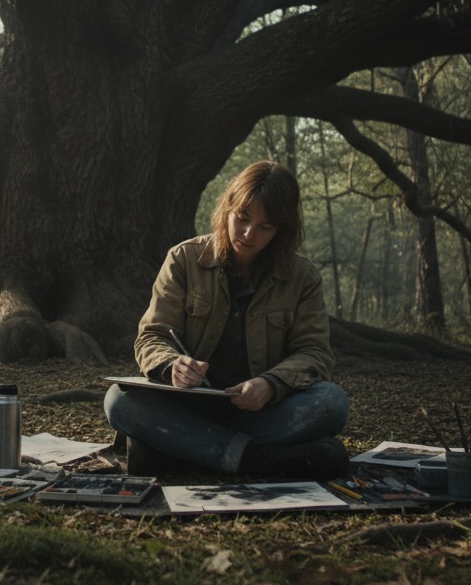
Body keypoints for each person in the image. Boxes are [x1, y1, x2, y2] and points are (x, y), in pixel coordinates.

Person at [103, 160, 350, 478]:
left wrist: (270, 384)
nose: (248, 234)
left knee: (332, 402)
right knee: (119, 400)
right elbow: (152, 336)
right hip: (187, 405)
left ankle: (183, 452)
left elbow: (314, 353)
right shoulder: (184, 260)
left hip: (262, 412)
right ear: (227, 209)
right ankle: (255, 460)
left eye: (265, 227)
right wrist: (172, 365)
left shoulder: (302, 276)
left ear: (282, 229)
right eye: (242, 219)